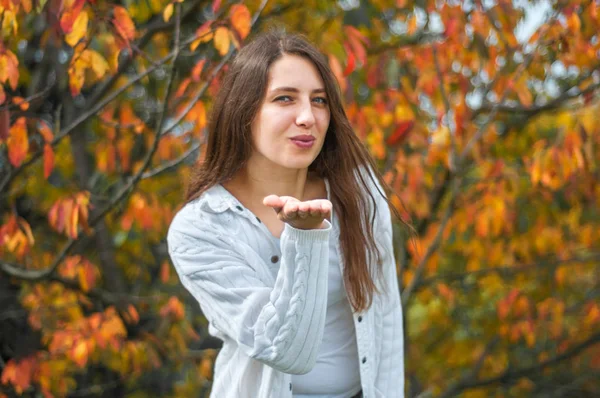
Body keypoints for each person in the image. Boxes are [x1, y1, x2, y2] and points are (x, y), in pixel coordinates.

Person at [167, 29, 405, 398]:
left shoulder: (359, 191)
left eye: (320, 100)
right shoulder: (201, 228)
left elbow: (385, 318)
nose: (308, 117)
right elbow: (285, 350)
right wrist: (306, 237)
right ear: (244, 111)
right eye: (285, 99)